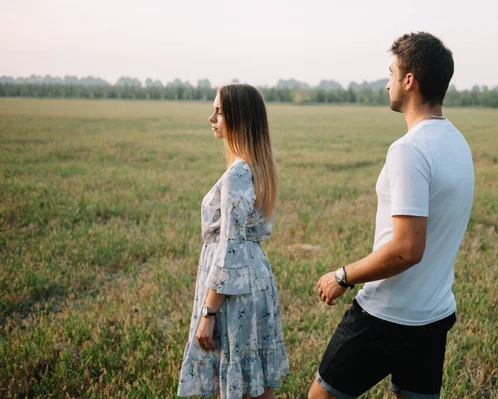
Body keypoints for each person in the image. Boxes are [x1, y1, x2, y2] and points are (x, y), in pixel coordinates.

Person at [309, 32, 475, 399]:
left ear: (409, 81)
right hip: (434, 314)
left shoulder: (409, 150)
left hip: (387, 316)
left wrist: (342, 276)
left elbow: (405, 249)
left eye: (392, 74)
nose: (387, 84)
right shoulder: (459, 144)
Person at [177, 84, 289, 399]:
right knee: (256, 384)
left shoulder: (238, 175)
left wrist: (208, 313)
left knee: (238, 384)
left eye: (220, 112)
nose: (211, 117)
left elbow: (230, 248)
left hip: (235, 289)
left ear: (238, 118)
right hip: (256, 279)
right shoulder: (259, 167)